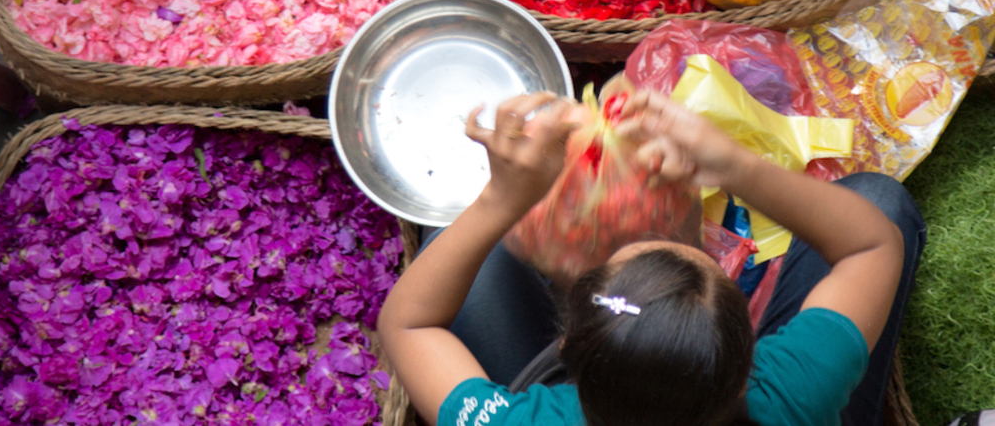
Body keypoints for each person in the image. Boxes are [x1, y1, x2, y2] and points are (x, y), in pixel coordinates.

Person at [377, 90, 926, 426]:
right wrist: (734, 166)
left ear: (566, 355)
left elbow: (409, 322)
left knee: (459, 248)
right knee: (879, 201)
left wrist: (502, 200)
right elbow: (872, 244)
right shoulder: (792, 394)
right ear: (749, 363)